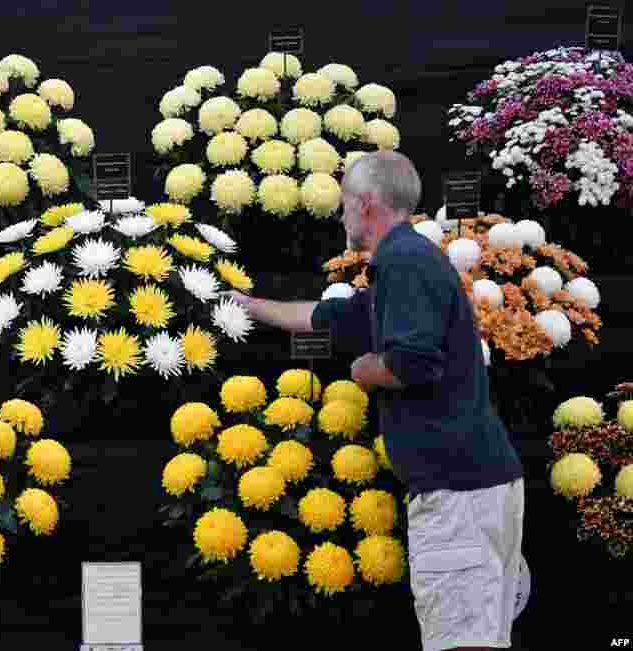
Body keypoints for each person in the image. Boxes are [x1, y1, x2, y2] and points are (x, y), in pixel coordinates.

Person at [223, 151, 526, 651]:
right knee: (479, 635)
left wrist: (365, 371)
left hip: (456, 489)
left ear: (365, 204)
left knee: (460, 639)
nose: (340, 214)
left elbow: (413, 362)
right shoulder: (406, 261)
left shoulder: (403, 262)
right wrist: (252, 307)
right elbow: (332, 317)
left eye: (344, 202)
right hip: (474, 483)